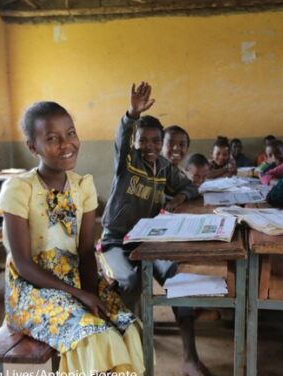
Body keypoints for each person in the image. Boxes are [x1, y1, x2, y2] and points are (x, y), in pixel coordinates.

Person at [0, 101, 143, 374]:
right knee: (94, 335)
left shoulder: (82, 186)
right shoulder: (19, 189)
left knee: (126, 325)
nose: (66, 144)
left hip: (75, 281)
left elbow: (86, 251)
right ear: (33, 147)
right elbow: (24, 265)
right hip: (32, 291)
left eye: (71, 133)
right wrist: (79, 295)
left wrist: (92, 294)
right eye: (52, 139)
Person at [98, 82, 209, 375]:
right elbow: (122, 136)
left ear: (161, 143)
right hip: (115, 241)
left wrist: (179, 199)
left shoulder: (162, 167)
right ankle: (124, 350)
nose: (148, 146)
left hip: (148, 240)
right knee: (130, 282)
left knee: (178, 278)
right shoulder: (127, 162)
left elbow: (189, 187)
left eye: (154, 141)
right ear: (133, 143)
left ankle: (190, 358)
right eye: (142, 140)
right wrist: (132, 113)